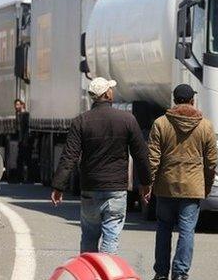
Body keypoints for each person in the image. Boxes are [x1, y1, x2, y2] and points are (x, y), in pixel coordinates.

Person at [51, 77, 152, 254]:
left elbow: (69, 156)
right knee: (111, 237)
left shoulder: (80, 121)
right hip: (116, 188)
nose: (112, 91)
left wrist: (58, 187)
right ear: (106, 94)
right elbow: (141, 154)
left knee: (89, 236)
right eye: (110, 89)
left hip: (90, 187)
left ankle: (89, 273)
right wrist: (145, 183)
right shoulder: (127, 119)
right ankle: (106, 272)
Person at [148, 84, 218, 280]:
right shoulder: (205, 125)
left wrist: (149, 184)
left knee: (163, 228)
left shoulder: (161, 123)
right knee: (187, 230)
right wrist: (208, 184)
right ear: (192, 101)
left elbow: (153, 157)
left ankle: (161, 273)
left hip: (166, 186)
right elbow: (212, 161)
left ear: (174, 100)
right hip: (193, 187)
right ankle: (180, 273)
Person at [13, 99, 31, 183]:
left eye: (18, 105)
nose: (16, 107)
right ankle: (20, 178)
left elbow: (26, 129)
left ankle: (26, 178)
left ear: (22, 105)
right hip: (21, 141)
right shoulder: (18, 115)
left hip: (25, 141)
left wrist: (25, 140)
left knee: (25, 159)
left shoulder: (25, 115)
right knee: (20, 160)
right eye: (15, 105)